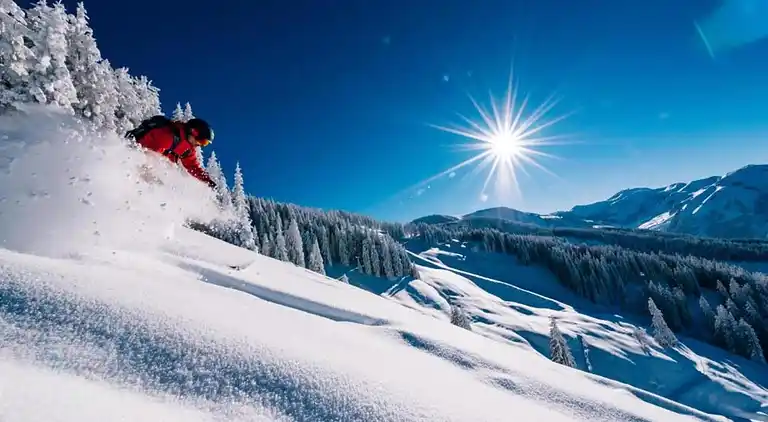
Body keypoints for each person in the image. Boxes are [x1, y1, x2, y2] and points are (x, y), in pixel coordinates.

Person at [126, 116, 217, 189]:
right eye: (202, 141)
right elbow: (144, 148)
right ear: (193, 132)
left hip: (150, 165)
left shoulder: (188, 149)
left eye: (205, 144)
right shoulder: (167, 136)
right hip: (134, 157)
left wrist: (207, 180)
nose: (200, 145)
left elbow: (193, 166)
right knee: (155, 186)